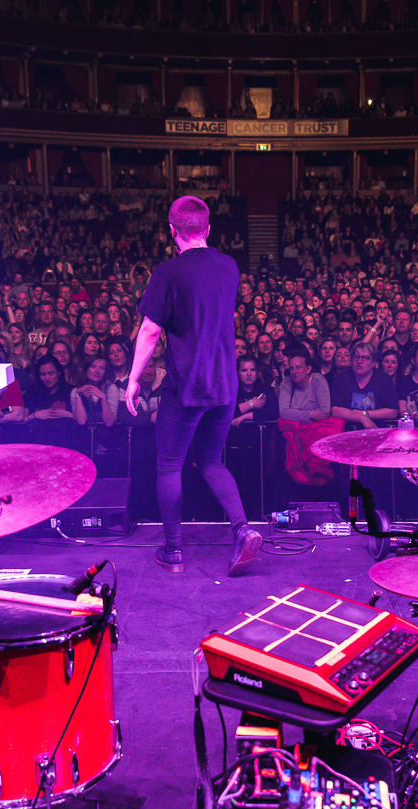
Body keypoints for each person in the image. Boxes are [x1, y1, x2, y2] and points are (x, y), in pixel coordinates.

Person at [124, 195, 261, 576]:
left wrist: (133, 379)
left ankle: (173, 552)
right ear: (208, 229)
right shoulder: (229, 266)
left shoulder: (168, 272)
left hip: (187, 385)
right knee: (211, 460)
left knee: (170, 465)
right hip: (225, 385)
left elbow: (150, 330)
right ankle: (242, 528)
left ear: (172, 231)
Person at [331, 340, 399, 428]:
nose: (359, 361)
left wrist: (364, 413)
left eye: (365, 358)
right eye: (356, 357)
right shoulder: (342, 378)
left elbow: (393, 412)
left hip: (377, 429)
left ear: (373, 363)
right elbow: (335, 410)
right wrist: (362, 418)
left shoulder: (384, 379)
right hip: (347, 430)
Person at [276, 349, 332, 423]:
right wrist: (310, 414)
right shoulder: (286, 382)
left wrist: (293, 414)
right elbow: (283, 413)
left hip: (316, 426)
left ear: (308, 369)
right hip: (294, 427)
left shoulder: (318, 380)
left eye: (298, 367)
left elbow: (325, 412)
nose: (294, 372)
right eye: (291, 368)